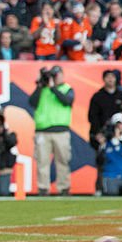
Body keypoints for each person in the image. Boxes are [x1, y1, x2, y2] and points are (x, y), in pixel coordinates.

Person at [87, 68, 122, 195]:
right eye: (108, 77)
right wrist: (98, 133)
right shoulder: (98, 97)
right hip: (104, 134)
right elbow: (92, 117)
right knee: (102, 162)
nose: (110, 79)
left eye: (112, 77)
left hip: (119, 136)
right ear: (104, 79)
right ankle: (100, 187)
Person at [28, 66, 74, 196]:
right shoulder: (42, 90)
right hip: (43, 130)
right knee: (42, 160)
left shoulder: (66, 89)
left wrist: (53, 87)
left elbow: (67, 101)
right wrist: (40, 85)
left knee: (63, 160)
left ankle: (63, 187)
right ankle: (43, 188)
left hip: (61, 130)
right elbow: (32, 102)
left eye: (56, 75)